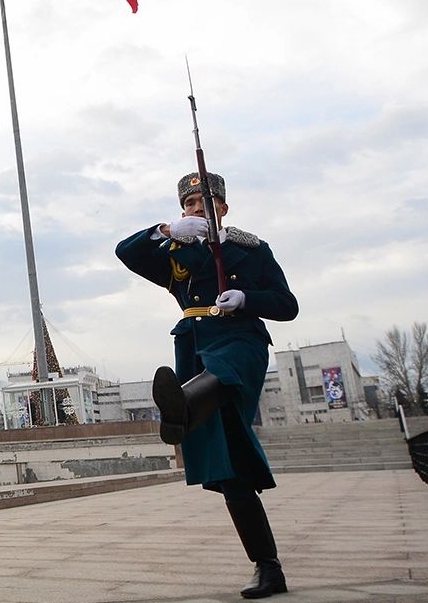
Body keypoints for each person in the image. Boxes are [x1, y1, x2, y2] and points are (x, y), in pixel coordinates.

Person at [115, 171, 298, 600]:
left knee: (224, 373)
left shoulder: (251, 250)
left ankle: (182, 409)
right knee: (230, 463)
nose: (199, 211)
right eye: (191, 206)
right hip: (194, 346)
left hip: (241, 341)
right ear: (183, 211)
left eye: (207, 204)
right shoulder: (173, 249)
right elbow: (125, 252)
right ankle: (268, 568)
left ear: (224, 207)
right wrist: (163, 231)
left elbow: (287, 305)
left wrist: (248, 299)